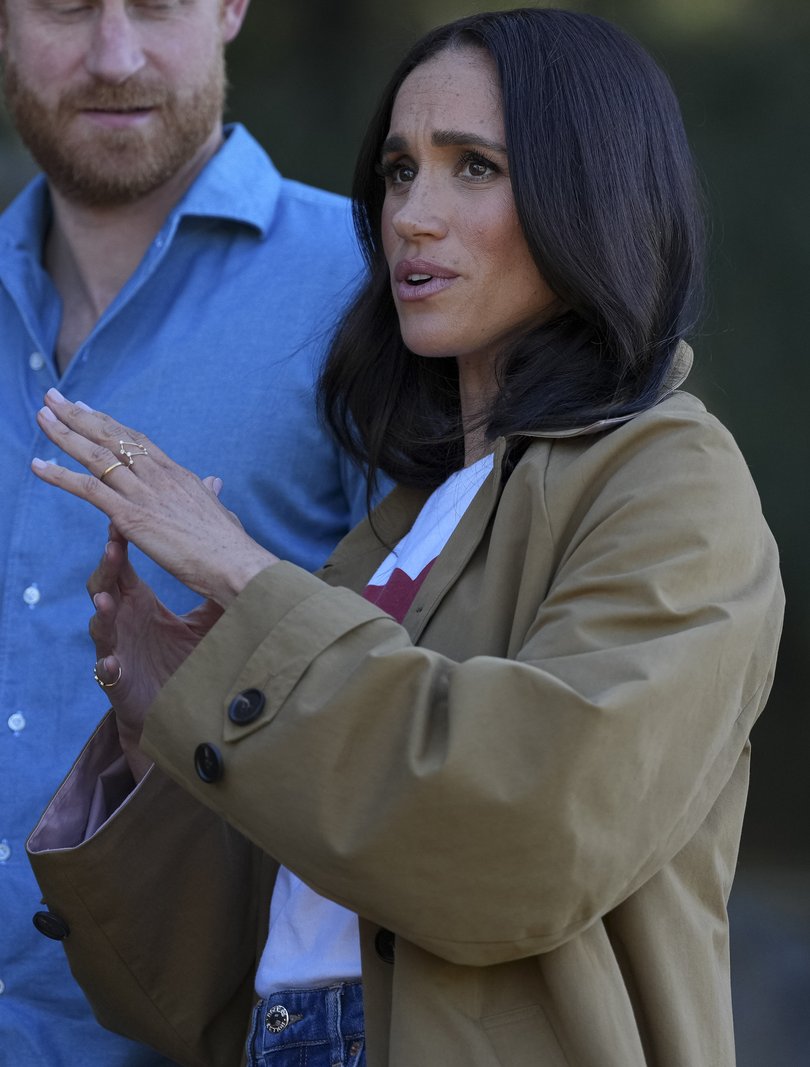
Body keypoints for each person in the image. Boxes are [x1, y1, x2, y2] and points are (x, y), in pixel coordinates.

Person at [26, 8, 783, 1067]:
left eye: (474, 167)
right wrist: (168, 722)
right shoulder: (397, 525)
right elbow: (197, 986)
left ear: (592, 194)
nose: (410, 216)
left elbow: (532, 827)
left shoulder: (671, 476)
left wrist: (248, 578)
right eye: (396, 171)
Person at [0, 0, 369, 1063]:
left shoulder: (374, 293)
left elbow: (441, 696)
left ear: (231, 7)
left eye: (157, 4)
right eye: (69, 5)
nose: (115, 55)